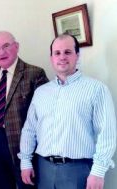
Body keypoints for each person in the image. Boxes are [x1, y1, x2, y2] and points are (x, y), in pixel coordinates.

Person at [18, 34, 116, 189]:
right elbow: (29, 129)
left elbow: (106, 134)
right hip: (43, 169)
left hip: (78, 170)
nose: (62, 57)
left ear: (77, 55)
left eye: (67, 52)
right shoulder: (41, 92)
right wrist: (25, 161)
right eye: (57, 53)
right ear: (51, 58)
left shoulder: (97, 90)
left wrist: (98, 172)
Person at [0, 31, 49, 189]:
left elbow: (45, 116)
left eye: (6, 46)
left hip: (22, 144)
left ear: (16, 47)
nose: (1, 52)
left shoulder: (35, 74)